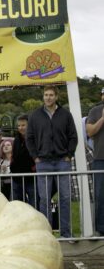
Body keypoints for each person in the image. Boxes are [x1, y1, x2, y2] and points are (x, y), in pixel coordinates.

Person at [26, 85, 78, 238]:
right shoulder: (35, 115)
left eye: (51, 95)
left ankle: (66, 234)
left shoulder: (66, 115)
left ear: (56, 97)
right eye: (45, 95)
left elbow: (73, 137)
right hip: (43, 162)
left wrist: (69, 155)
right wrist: (35, 157)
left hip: (63, 161)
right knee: (44, 199)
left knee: (65, 197)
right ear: (43, 97)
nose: (48, 97)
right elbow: (30, 138)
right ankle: (46, 234)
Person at [86, 87, 104, 236]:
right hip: (100, 158)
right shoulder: (95, 111)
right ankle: (101, 228)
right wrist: (103, 118)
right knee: (100, 194)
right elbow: (90, 132)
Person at [10, 115, 37, 208]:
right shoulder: (16, 139)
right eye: (19, 126)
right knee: (17, 206)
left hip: (31, 178)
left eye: (23, 125)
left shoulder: (35, 139)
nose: (20, 128)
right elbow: (13, 156)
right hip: (16, 178)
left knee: (34, 205)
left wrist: (34, 168)